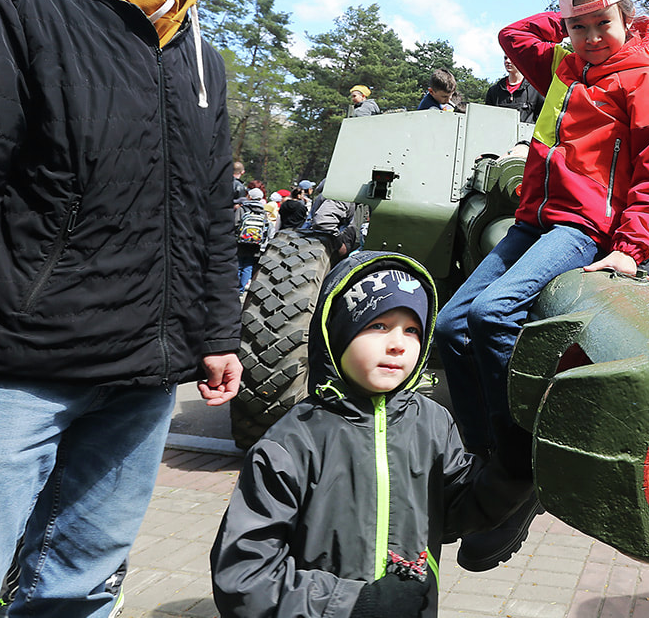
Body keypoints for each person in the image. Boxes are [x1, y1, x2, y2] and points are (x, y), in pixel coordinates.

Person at [0, 0, 246, 615]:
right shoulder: (13, 9)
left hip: (139, 385)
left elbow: (212, 209)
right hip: (7, 379)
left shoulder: (200, 59)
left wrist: (215, 329)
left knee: (79, 590)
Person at [433, 0, 649, 572]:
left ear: (626, 16)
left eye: (604, 22)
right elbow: (514, 35)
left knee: (493, 316)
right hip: (532, 220)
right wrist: (568, 11)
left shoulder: (646, 77)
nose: (594, 36)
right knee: (448, 327)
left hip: (582, 225)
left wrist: (632, 245)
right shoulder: (567, 67)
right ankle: (484, 453)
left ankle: (520, 468)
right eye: (580, 25)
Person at [211, 252, 532, 618]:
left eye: (412, 330)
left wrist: (512, 471)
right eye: (379, 325)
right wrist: (353, 604)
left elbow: (456, 513)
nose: (398, 343)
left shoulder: (432, 422)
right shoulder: (292, 442)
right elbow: (243, 575)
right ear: (338, 332)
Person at [485, 55, 544, 123]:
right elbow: (488, 118)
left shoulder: (535, 90)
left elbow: (544, 119)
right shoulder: (494, 91)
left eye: (511, 57)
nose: (507, 61)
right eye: (505, 58)